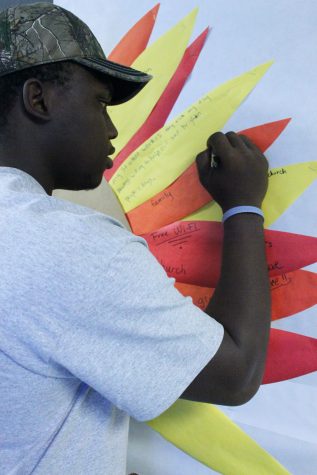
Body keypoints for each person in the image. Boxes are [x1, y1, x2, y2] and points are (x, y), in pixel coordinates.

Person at [0, 3, 270, 474]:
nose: (111, 129)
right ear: (38, 100)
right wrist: (244, 205)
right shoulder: (65, 246)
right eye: (100, 102)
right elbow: (236, 373)